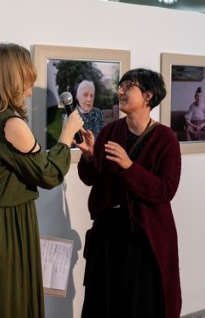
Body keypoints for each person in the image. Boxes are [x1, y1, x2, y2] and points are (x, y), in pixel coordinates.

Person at [0, 43, 84, 318]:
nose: (30, 91)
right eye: (26, 82)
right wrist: (67, 134)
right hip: (2, 231)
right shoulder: (11, 124)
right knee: (6, 305)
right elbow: (48, 174)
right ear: (11, 81)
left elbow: (28, 165)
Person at [76, 68, 182, 318]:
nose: (120, 91)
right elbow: (91, 178)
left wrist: (129, 167)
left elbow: (165, 190)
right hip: (109, 234)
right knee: (104, 303)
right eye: (120, 86)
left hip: (144, 237)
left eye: (129, 86)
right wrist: (90, 156)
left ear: (148, 95)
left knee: (139, 305)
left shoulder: (165, 139)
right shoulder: (111, 132)